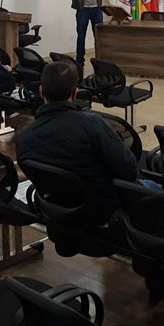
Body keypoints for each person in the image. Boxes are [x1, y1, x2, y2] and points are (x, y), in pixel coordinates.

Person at [15, 60, 141, 223]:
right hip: (103, 211)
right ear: (75, 93)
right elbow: (129, 170)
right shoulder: (93, 124)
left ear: (41, 91)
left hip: (57, 210)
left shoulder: (24, 138)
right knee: (154, 188)